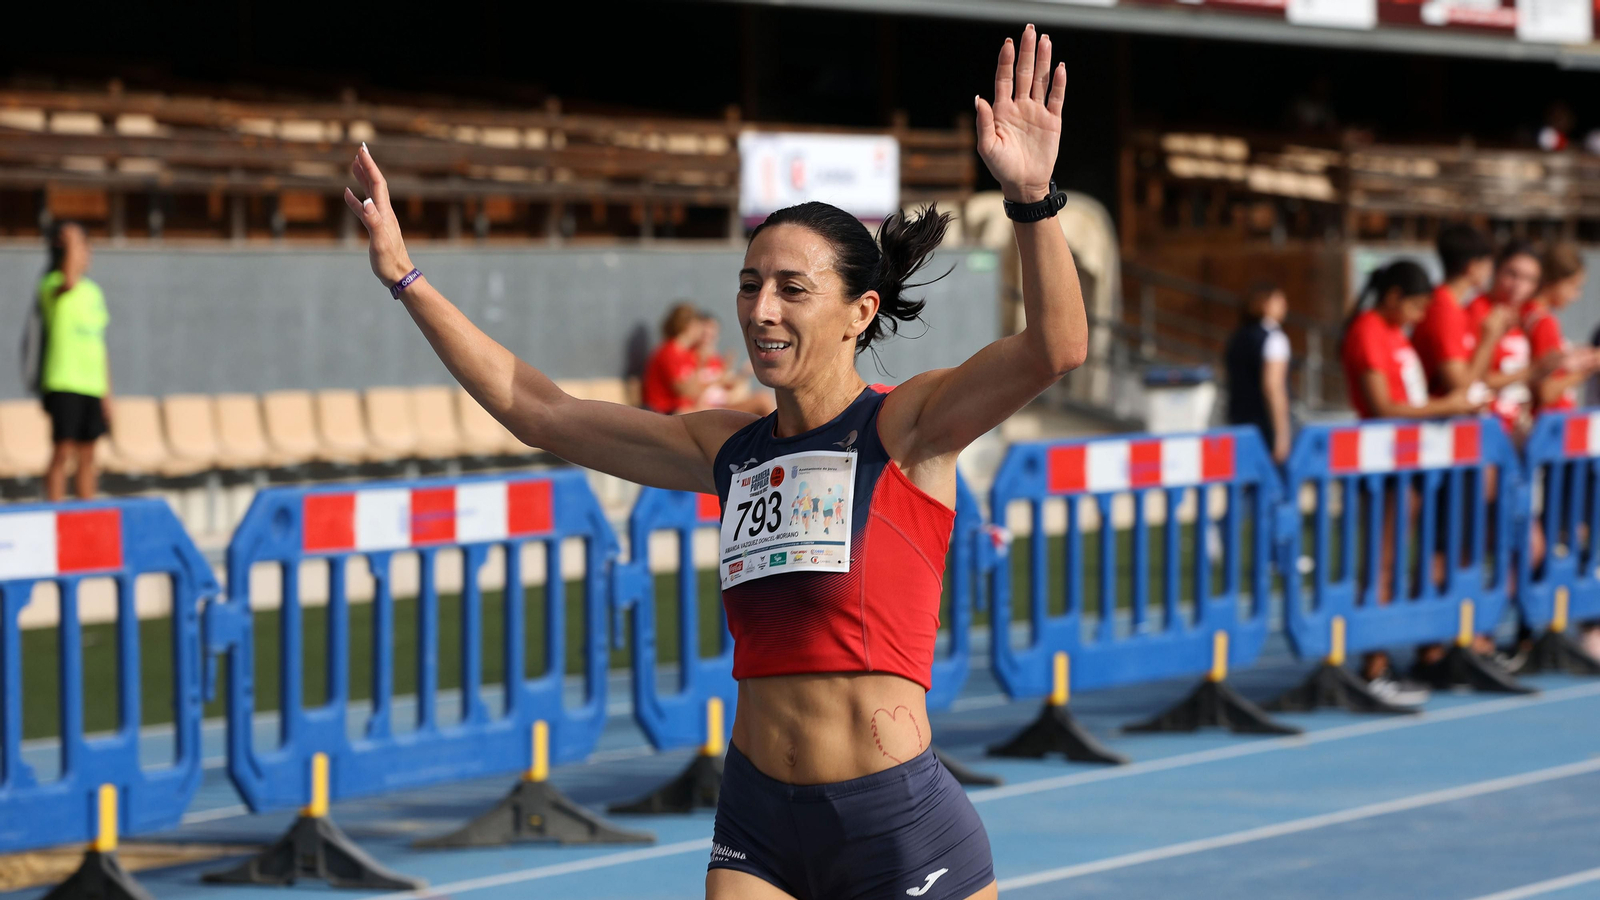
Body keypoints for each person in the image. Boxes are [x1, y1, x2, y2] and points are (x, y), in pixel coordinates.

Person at [343, 24, 1080, 900]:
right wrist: (403, 275)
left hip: (894, 826)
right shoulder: (727, 449)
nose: (761, 309)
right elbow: (539, 412)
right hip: (759, 822)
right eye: (749, 283)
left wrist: (1033, 201)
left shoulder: (908, 430)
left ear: (859, 312)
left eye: (792, 290)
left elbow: (1055, 349)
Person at [1341, 259, 1480, 706]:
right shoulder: (1367, 330)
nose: (1422, 317)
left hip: (1413, 465)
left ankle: (1404, 653)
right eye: (1417, 306)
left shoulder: (1394, 334)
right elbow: (1383, 406)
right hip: (1384, 465)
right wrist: (1448, 407)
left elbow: (1410, 395)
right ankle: (1373, 667)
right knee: (1380, 565)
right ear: (1395, 297)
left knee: (1400, 563)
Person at [1522, 245, 1600, 660]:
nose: (1575, 296)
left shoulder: (1539, 321)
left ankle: (1554, 624)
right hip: (1550, 448)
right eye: (1574, 287)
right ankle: (1562, 626)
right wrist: (1586, 366)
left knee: (1567, 536)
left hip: (1561, 448)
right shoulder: (1542, 322)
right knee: (1564, 536)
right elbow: (1548, 389)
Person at [37, 221, 112, 502]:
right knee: (63, 451)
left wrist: (108, 393)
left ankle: (86, 511)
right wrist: (70, 241)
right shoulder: (52, 284)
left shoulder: (93, 292)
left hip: (92, 384)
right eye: (81, 247)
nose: (85, 253)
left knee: (88, 454)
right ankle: (55, 510)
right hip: (64, 381)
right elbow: (68, 280)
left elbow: (99, 345)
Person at [1413, 223, 1507, 400]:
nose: (1490, 273)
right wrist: (1488, 339)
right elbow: (1460, 386)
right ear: (1472, 267)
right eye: (1488, 265)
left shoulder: (1453, 306)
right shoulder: (1443, 310)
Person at [1466, 242, 1547, 444]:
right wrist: (1532, 371)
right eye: (1512, 274)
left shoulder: (1525, 316)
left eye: (1529, 279)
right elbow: (1473, 378)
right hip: (1485, 430)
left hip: (1517, 429)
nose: (1518, 285)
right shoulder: (1478, 311)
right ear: (1496, 270)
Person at [1223, 281, 1293, 463]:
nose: (1285, 305)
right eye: (1279, 299)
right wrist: (1282, 434)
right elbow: (1273, 386)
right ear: (1265, 304)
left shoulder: (1237, 337)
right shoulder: (1274, 338)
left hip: (1238, 420)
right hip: (1264, 424)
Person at [641, 302, 706, 414]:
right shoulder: (668, 352)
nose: (702, 331)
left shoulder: (690, 353)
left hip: (682, 410)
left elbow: (695, 392)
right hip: (662, 411)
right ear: (689, 325)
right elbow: (683, 391)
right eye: (699, 325)